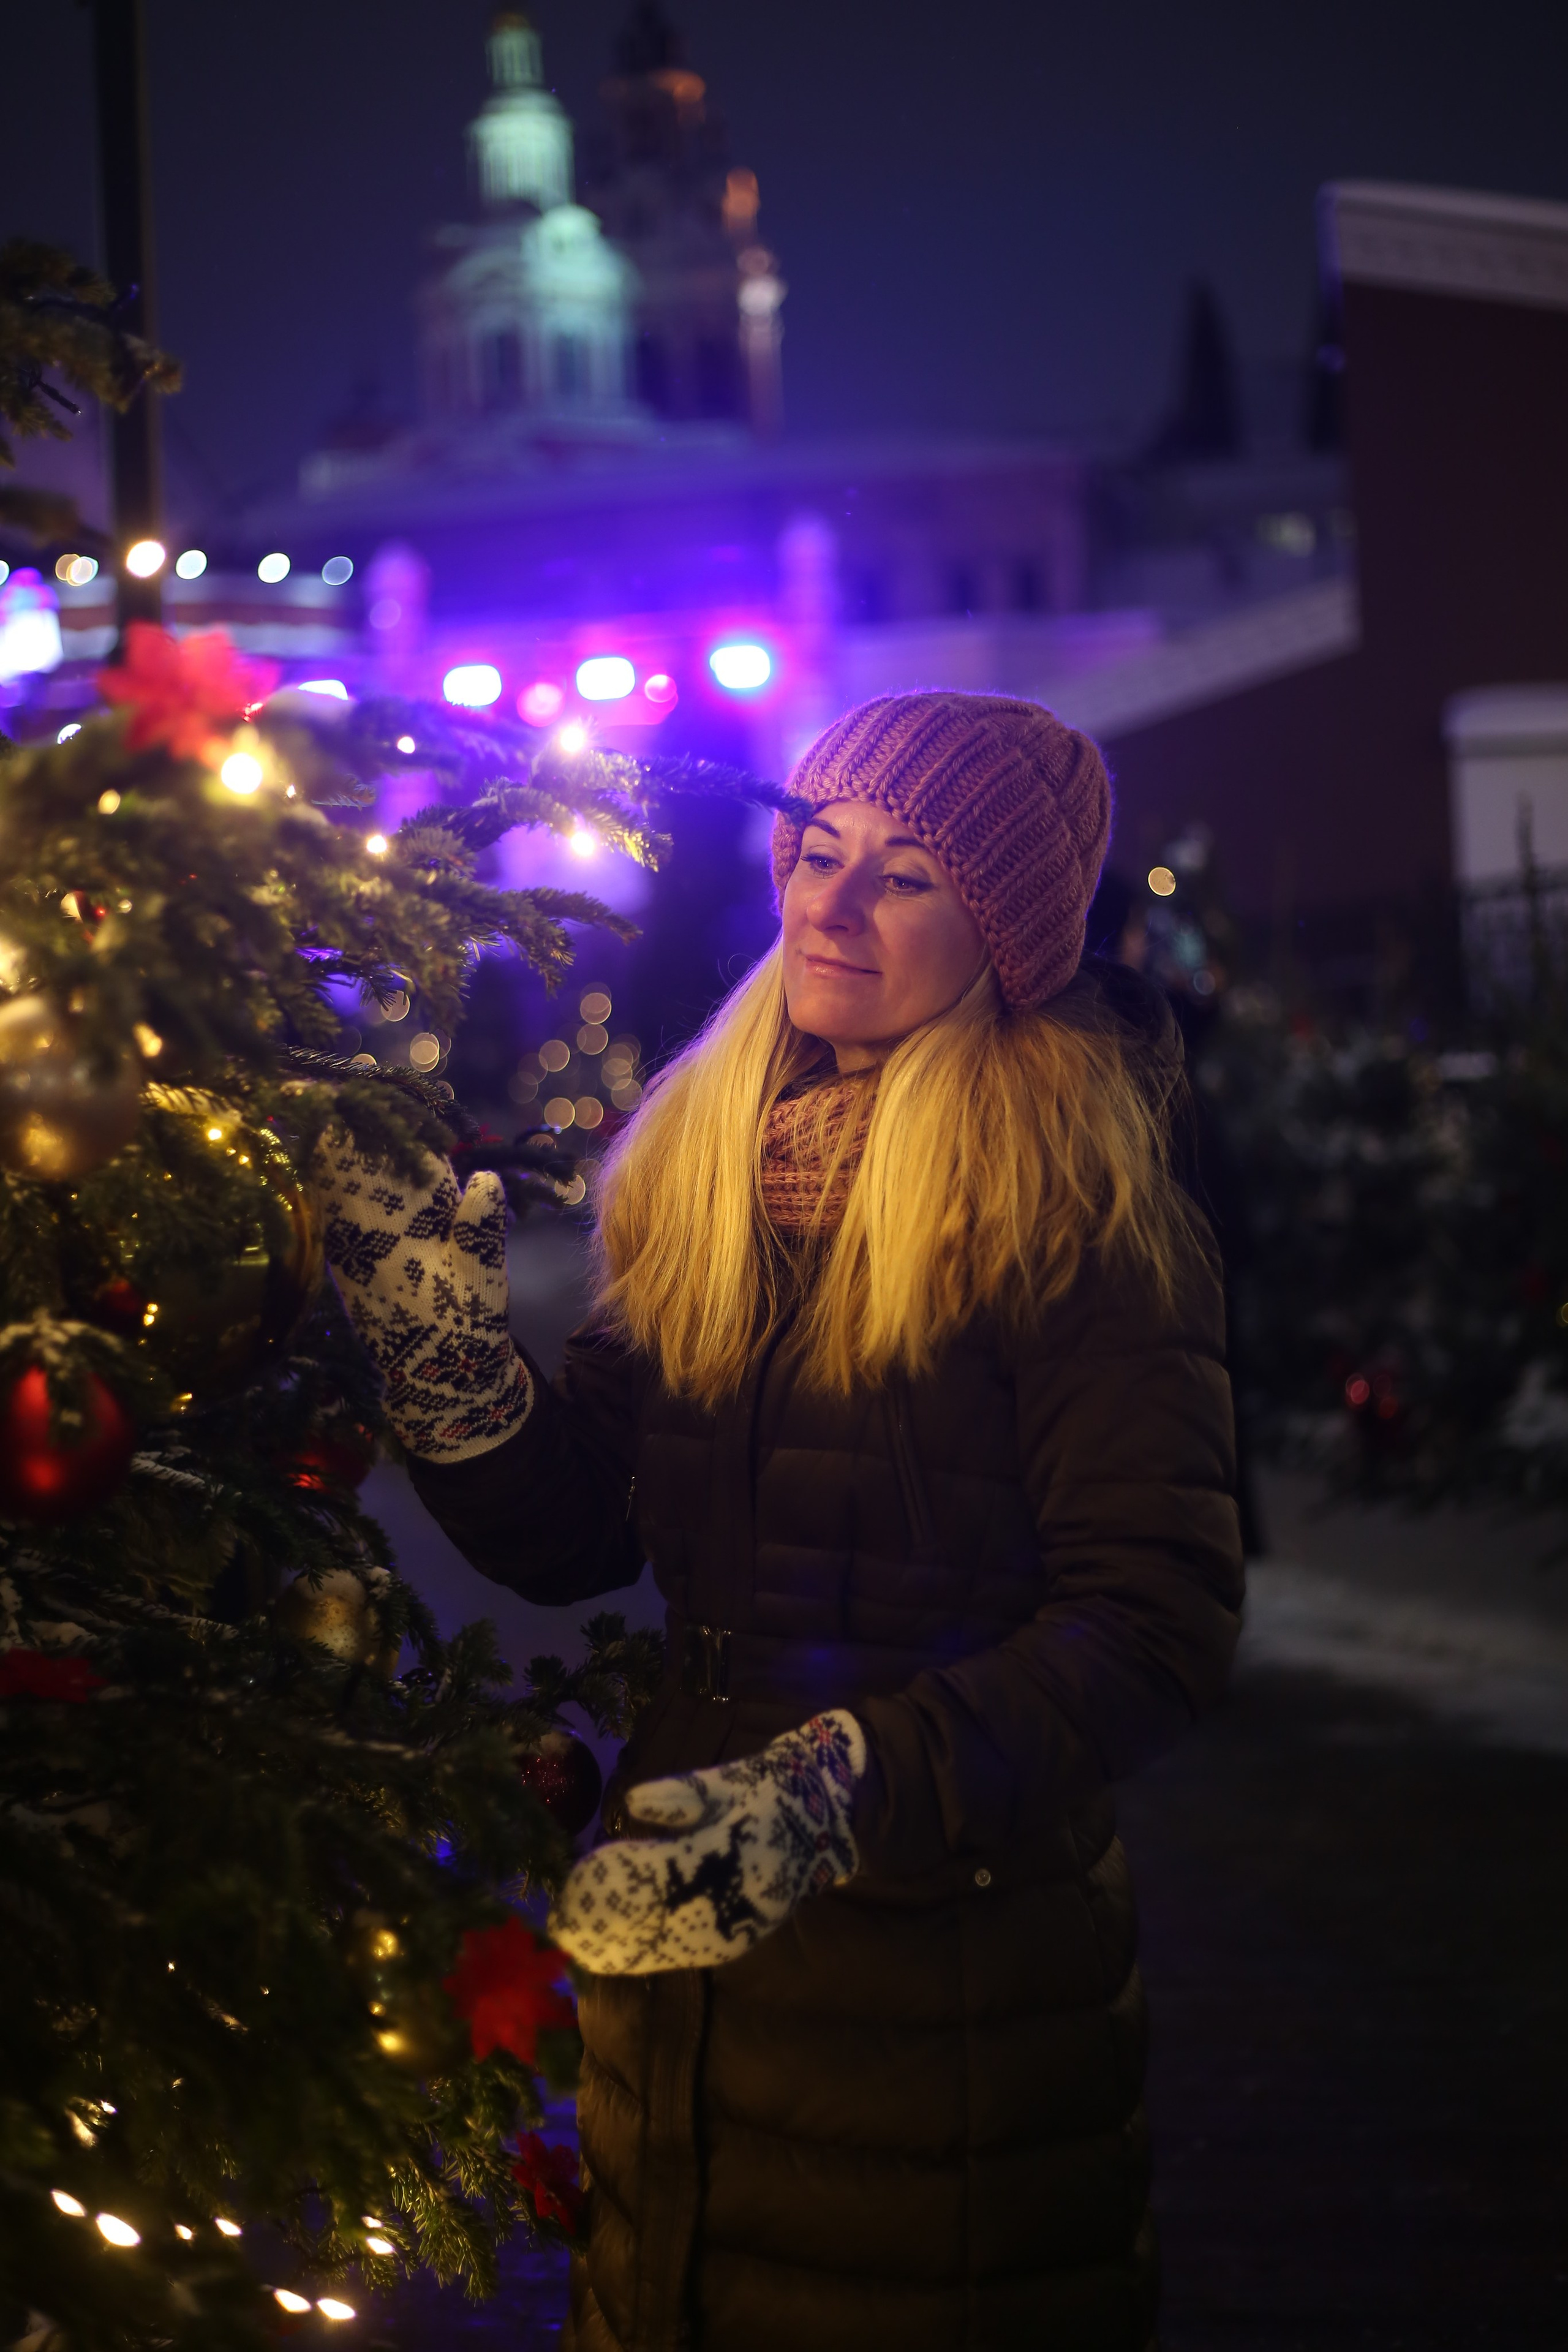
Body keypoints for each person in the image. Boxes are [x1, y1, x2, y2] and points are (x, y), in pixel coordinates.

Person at [315, 692, 1244, 2352]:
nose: (828, 903)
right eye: (816, 853)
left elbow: (1156, 1620)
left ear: (1007, 933)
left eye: (904, 877)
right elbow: (587, 1525)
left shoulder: (1070, 1204)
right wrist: (442, 1355)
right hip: (681, 1990)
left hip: (947, 2004)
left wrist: (829, 1797)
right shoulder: (702, 1165)